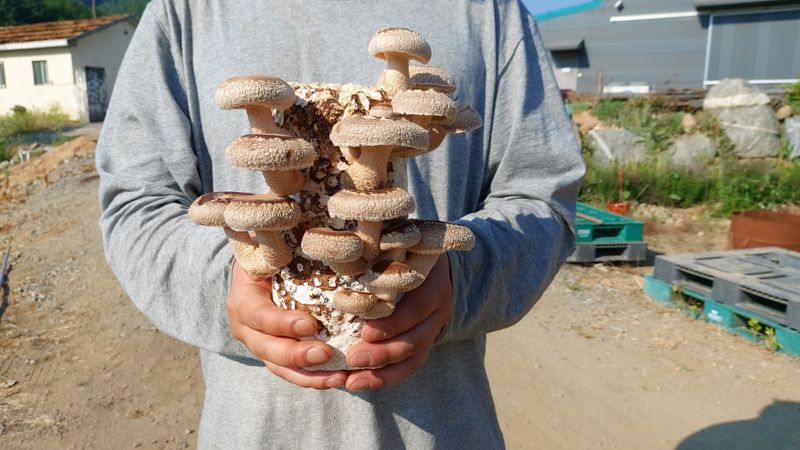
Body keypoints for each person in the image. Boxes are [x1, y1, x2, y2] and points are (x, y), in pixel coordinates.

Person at [96, 0, 584, 448]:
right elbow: (134, 205)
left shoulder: (487, 9)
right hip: (253, 431)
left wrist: (456, 277)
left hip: (444, 430)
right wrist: (231, 286)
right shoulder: (186, 10)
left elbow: (544, 196)